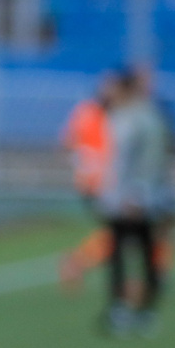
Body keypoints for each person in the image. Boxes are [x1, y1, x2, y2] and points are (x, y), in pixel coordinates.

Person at [101, 68, 171, 336]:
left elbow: (148, 160)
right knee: (124, 252)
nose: (106, 91)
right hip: (124, 197)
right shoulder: (121, 115)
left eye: (111, 86)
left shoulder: (140, 117)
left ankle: (140, 310)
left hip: (136, 199)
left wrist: (136, 194)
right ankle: (126, 308)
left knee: (140, 252)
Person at [57, 76, 117, 291]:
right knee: (117, 232)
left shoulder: (85, 111)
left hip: (94, 183)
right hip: (100, 184)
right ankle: (77, 262)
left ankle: (78, 262)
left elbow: (67, 141)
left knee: (116, 232)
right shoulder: (101, 114)